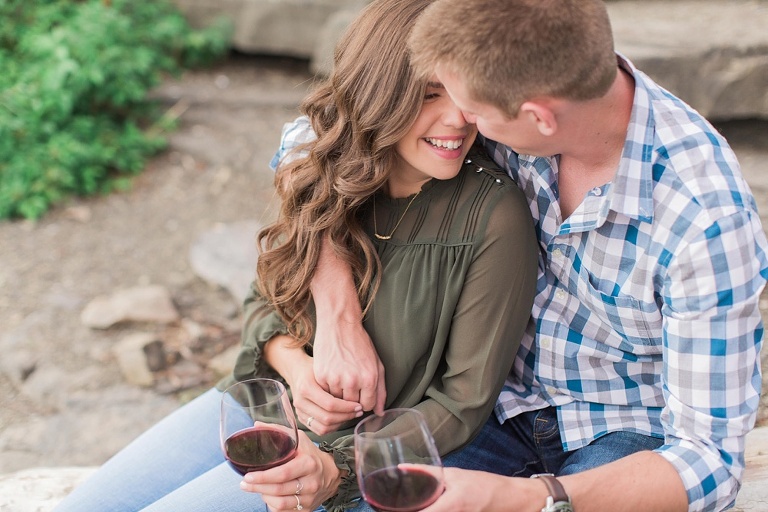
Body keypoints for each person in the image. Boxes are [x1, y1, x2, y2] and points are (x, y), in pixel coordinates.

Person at [281, 0, 768, 511]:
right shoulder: (516, 77)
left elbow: (708, 462)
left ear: (538, 116)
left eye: (472, 110)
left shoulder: (706, 222)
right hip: (487, 409)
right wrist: (339, 315)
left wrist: (529, 498)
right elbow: (308, 142)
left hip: (623, 436)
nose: (459, 121)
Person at [53, 0, 537, 511]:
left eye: (464, 93)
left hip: (347, 457)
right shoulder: (326, 169)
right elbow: (264, 300)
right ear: (380, 93)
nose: (458, 118)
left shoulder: (493, 215)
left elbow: (462, 406)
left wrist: (340, 467)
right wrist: (300, 370)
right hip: (263, 403)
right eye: (428, 94)